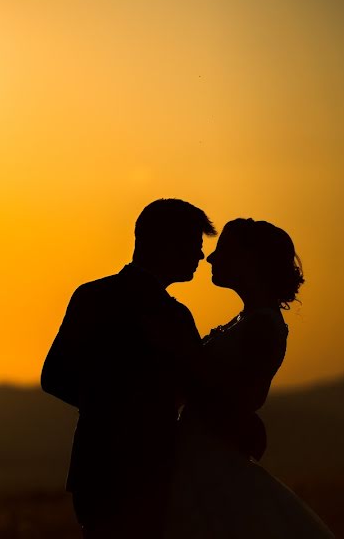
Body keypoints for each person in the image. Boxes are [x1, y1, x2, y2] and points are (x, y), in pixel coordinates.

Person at [41, 198, 216, 538]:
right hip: (148, 471)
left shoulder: (91, 295)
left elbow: (54, 378)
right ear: (165, 244)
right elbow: (200, 388)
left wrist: (101, 406)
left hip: (94, 469)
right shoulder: (173, 316)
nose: (200, 256)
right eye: (194, 246)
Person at [163, 218, 334, 537]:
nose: (211, 258)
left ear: (250, 260)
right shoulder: (247, 320)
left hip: (211, 466)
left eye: (223, 250)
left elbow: (245, 400)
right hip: (196, 458)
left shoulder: (263, 327)